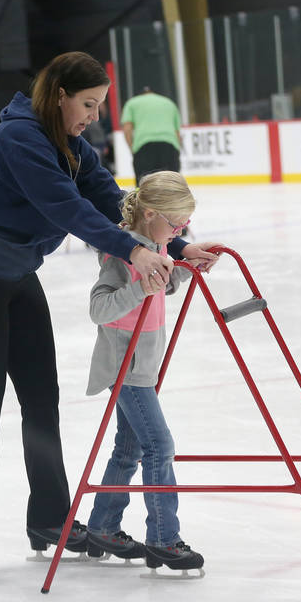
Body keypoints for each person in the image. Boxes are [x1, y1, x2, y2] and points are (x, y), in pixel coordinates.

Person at [0, 51, 220, 576]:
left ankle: (49, 518)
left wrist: (174, 249)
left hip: (16, 274)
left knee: (42, 398)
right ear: (59, 94)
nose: (93, 115)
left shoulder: (70, 145)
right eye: (87, 104)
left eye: (99, 106)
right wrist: (134, 252)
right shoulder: (21, 138)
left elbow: (111, 199)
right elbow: (67, 210)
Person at [85, 171, 208, 572]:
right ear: (151, 214)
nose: (179, 232)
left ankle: (103, 526)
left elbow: (164, 285)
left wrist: (187, 264)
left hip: (142, 364)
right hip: (126, 367)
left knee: (130, 447)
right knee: (159, 445)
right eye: (176, 225)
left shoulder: (155, 245)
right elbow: (99, 309)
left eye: (184, 227)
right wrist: (141, 287)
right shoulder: (123, 254)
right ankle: (163, 539)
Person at [121, 86, 181, 186]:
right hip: (169, 146)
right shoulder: (169, 103)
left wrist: (132, 148)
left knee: (144, 186)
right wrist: (176, 150)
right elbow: (177, 132)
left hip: (144, 146)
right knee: (171, 186)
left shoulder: (132, 103)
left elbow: (127, 128)